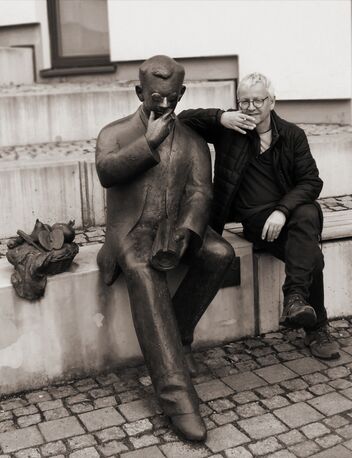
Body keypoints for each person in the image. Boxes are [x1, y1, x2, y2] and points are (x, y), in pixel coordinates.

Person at [95, 55, 235, 441]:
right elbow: (107, 172)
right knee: (143, 268)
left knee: (221, 253)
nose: (163, 105)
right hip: (133, 230)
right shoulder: (114, 132)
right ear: (140, 92)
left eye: (172, 97)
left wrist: (188, 230)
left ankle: (176, 337)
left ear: (182, 93)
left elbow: (199, 192)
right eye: (156, 96)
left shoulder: (192, 140)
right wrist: (148, 143)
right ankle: (178, 399)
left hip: (176, 227)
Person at [179, 72, 340, 360]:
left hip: (287, 217)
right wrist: (220, 117)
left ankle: (295, 300)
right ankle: (314, 325)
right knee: (311, 255)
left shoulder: (292, 135)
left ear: (272, 101)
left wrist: (281, 210)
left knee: (306, 216)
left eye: (257, 100)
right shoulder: (231, 130)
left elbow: (311, 182)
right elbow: (183, 118)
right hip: (253, 220)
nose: (251, 107)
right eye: (244, 101)